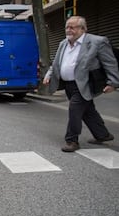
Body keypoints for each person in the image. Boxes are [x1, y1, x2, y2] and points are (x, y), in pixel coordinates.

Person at [43, 16, 119, 152]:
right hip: (68, 85)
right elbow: (56, 62)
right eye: (67, 27)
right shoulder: (63, 43)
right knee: (87, 111)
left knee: (75, 109)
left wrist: (113, 82)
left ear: (83, 29)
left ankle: (72, 140)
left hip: (86, 83)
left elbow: (110, 63)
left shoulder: (97, 42)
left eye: (73, 27)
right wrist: (49, 75)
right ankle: (103, 135)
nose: (69, 30)